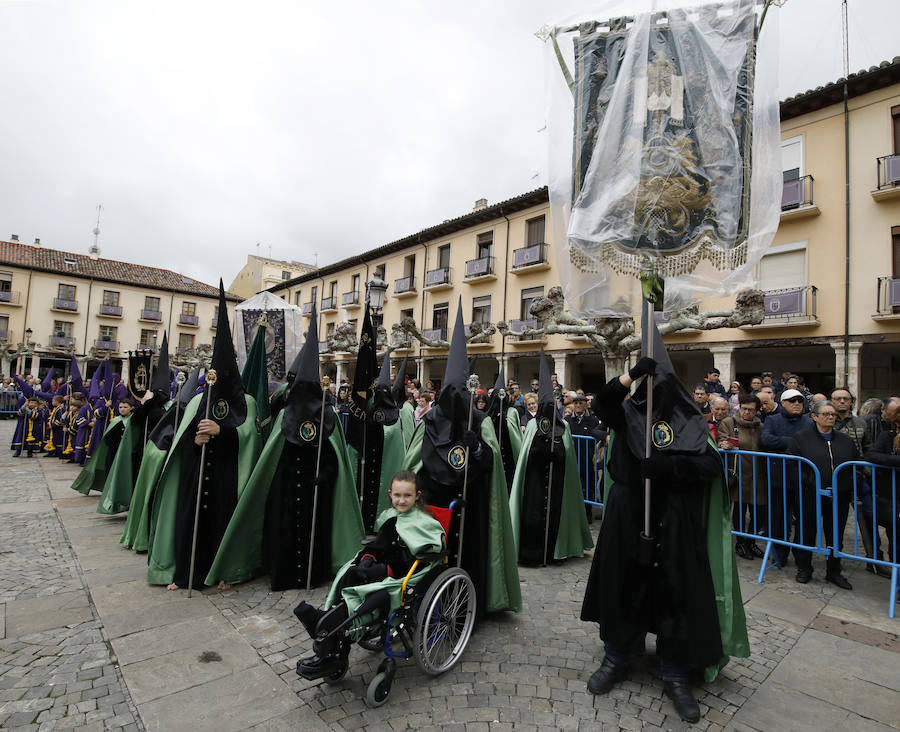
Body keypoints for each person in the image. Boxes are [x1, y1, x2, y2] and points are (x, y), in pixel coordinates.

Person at [581, 310, 747, 724]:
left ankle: (675, 674)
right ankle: (617, 656)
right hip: (627, 513)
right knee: (624, 585)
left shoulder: (691, 423)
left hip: (674, 520)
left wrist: (671, 468)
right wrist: (631, 373)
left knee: (676, 593)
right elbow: (602, 402)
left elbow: (712, 469)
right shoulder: (627, 412)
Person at [206, 311, 362, 591]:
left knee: (316, 532)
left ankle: (314, 574)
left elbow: (335, 456)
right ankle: (283, 573)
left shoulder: (329, 416)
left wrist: (324, 474)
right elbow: (273, 456)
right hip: (286, 488)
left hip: (318, 489)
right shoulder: (284, 415)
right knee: (285, 531)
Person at [401, 301, 520, 619]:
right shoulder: (428, 421)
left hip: (472, 506)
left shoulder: (479, 422)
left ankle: (468, 607)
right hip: (435, 508)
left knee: (468, 556)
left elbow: (490, 465)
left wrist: (478, 449)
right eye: (449, 392)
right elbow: (415, 464)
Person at [146, 281, 263, 591]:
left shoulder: (246, 403)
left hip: (228, 475)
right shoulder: (199, 401)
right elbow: (181, 439)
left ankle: (222, 571)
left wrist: (221, 432)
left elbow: (249, 439)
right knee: (190, 523)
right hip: (197, 473)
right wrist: (194, 441)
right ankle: (185, 574)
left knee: (221, 526)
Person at [293, 470, 445, 680]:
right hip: (383, 566)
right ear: (390, 494)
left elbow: (420, 558)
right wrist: (368, 558)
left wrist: (385, 570)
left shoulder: (425, 523)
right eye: (397, 495)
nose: (401, 500)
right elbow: (379, 545)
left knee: (372, 594)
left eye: (407, 496)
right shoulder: (391, 518)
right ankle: (331, 627)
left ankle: (327, 624)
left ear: (417, 496)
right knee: (350, 573)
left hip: (405, 575)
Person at [509, 351, 593, 566]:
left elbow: (568, 456)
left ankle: (556, 550)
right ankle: (532, 553)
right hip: (535, 481)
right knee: (533, 516)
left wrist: (556, 455)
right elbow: (527, 454)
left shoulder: (563, 426)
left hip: (558, 481)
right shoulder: (533, 426)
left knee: (556, 514)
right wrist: (540, 453)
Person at [788, 400, 858, 588]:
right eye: (826, 414)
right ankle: (804, 567)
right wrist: (809, 483)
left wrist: (849, 484)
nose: (830, 417)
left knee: (835, 533)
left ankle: (834, 571)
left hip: (838, 496)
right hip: (810, 494)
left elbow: (855, 465)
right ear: (814, 416)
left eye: (833, 414)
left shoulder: (845, 440)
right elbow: (792, 465)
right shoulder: (801, 438)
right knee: (806, 531)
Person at [761, 388, 813, 567]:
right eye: (792, 401)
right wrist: (796, 443)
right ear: (783, 403)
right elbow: (767, 439)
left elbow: (811, 444)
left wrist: (784, 442)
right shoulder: (772, 419)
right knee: (778, 518)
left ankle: (802, 558)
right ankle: (779, 553)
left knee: (803, 520)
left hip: (802, 479)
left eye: (799, 400)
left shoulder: (808, 422)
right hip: (778, 478)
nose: (797, 404)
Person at [718, 395, 766, 559]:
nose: (746, 412)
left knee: (758, 511)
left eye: (750, 410)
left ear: (757, 411)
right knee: (739, 510)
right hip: (739, 474)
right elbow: (721, 440)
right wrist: (724, 444)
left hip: (758, 475)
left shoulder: (761, 426)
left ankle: (751, 542)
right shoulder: (729, 423)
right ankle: (740, 543)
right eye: (744, 408)